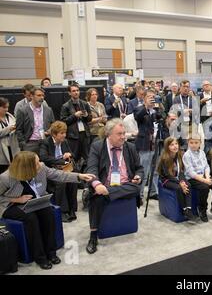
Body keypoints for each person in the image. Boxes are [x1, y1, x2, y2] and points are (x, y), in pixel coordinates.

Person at [0, 151, 94, 269]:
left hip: (36, 201)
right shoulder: (6, 178)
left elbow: (59, 174)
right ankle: (40, 257)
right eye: (36, 163)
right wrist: (16, 199)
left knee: (49, 215)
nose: (40, 164)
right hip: (12, 205)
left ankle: (51, 252)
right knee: (31, 219)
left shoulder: (41, 167)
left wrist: (79, 176)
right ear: (26, 167)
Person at [85, 119, 143, 254]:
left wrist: (138, 176)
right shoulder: (97, 147)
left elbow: (139, 168)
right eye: (119, 134)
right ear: (108, 134)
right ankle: (93, 236)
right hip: (104, 184)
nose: (123, 137)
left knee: (136, 188)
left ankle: (106, 193)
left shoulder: (130, 147)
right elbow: (91, 169)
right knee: (96, 197)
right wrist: (97, 184)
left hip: (125, 185)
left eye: (124, 133)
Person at [39, 121, 77, 222]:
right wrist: (61, 160)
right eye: (62, 133)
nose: (64, 135)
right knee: (61, 182)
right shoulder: (46, 142)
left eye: (65, 132)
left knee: (73, 181)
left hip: (64, 168)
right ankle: (62, 211)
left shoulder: (65, 142)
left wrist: (69, 155)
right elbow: (44, 158)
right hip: (51, 170)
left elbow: (72, 154)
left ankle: (72, 209)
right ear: (54, 134)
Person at [183, 136, 212, 222]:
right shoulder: (187, 155)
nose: (194, 145)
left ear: (200, 143)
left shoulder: (202, 153)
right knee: (204, 187)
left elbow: (206, 166)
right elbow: (191, 172)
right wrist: (205, 181)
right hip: (193, 178)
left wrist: (207, 177)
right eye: (191, 143)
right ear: (188, 143)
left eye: (196, 143)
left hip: (203, 176)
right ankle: (202, 209)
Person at [158, 137, 195, 221]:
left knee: (188, 185)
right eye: (172, 145)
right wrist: (180, 183)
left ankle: (189, 209)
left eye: (176, 144)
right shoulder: (165, 158)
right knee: (179, 188)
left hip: (177, 177)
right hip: (167, 179)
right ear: (167, 147)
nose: (175, 146)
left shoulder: (179, 155)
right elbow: (167, 175)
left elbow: (181, 171)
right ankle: (184, 209)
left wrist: (182, 181)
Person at [60, 84, 92, 170]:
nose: (76, 92)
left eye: (77, 90)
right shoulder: (65, 106)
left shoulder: (84, 104)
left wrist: (86, 115)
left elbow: (89, 119)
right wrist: (74, 115)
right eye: (73, 91)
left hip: (85, 135)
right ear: (69, 93)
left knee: (87, 158)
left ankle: (86, 178)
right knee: (74, 158)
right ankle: (74, 179)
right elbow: (63, 122)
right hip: (73, 136)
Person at [15, 87, 55, 153]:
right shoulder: (23, 110)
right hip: (30, 143)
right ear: (31, 96)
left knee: (45, 163)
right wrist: (23, 144)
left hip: (45, 142)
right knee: (30, 163)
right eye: (39, 95)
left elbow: (53, 124)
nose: (42, 97)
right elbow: (19, 129)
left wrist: (50, 130)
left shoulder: (48, 110)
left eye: (43, 95)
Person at [0, 97, 19, 174]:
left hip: (13, 147)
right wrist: (9, 129)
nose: (6, 109)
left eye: (7, 107)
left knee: (15, 169)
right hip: (1, 149)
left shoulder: (10, 116)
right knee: (3, 171)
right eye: (4, 107)